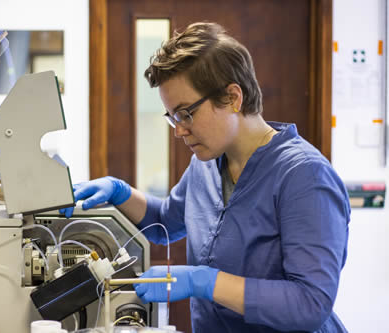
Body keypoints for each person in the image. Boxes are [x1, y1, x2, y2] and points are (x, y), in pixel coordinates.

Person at [61, 22, 350, 332]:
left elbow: (310, 303)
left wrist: (204, 282)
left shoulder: (304, 176)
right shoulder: (206, 163)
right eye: (173, 118)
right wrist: (119, 192)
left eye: (187, 113)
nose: (180, 129)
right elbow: (167, 222)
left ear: (233, 97)